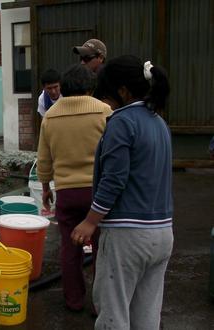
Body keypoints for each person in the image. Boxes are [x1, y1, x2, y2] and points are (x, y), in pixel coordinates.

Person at [72, 55, 173, 329]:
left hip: (128, 236)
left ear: (123, 92)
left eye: (106, 95)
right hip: (162, 232)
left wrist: (90, 221)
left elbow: (114, 179)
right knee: (147, 313)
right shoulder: (159, 123)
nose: (105, 102)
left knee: (113, 311)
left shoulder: (122, 122)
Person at [36, 64, 112, 311]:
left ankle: (74, 300)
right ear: (91, 88)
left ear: (63, 89)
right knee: (104, 249)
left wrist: (46, 187)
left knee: (70, 249)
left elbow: (44, 158)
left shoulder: (51, 115)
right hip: (99, 193)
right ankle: (101, 303)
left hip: (67, 192)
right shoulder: (105, 112)